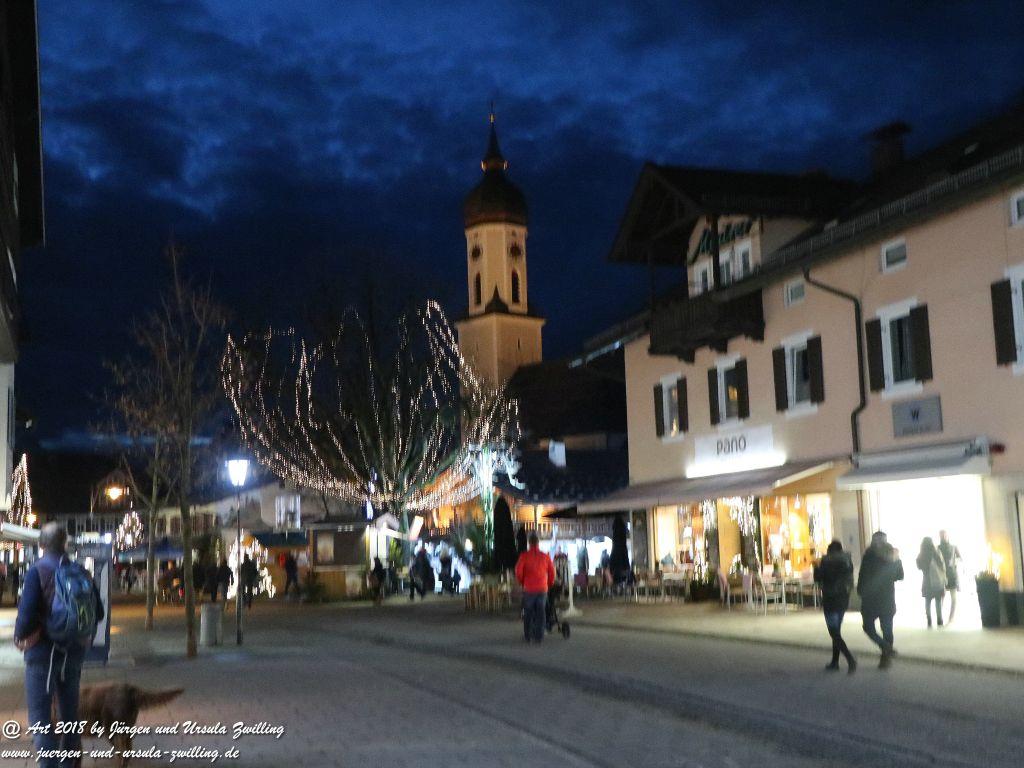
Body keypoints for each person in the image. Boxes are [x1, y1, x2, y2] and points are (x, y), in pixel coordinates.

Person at [14, 522, 104, 768]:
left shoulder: (38, 571)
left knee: (41, 718)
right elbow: (99, 613)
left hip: (43, 653)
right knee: (70, 715)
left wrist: (20, 638)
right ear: (65, 544)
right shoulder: (80, 571)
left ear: (41, 545)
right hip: (74, 651)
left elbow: (25, 619)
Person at [858, 531, 904, 669]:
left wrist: (860, 591)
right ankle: (886, 654)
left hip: (870, 599)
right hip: (886, 598)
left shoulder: (869, 555)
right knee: (887, 629)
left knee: (868, 627)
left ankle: (885, 650)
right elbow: (900, 576)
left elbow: (862, 575)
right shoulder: (893, 556)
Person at [814, 540, 857, 673]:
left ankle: (850, 659)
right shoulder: (847, 561)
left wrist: (816, 568)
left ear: (830, 550)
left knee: (834, 632)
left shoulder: (826, 561)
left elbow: (818, 578)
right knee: (836, 631)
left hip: (830, 599)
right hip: (843, 600)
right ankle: (835, 661)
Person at [514, 532, 556, 644]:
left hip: (529, 589)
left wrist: (522, 582)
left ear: (529, 543)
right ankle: (539, 637)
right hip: (542, 589)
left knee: (528, 612)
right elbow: (552, 572)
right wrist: (549, 583)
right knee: (541, 613)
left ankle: (528, 635)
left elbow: (518, 571)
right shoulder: (545, 556)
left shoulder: (524, 556)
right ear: (538, 542)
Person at [916, 537, 947, 629]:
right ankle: (939, 620)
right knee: (938, 601)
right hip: (937, 580)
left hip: (926, 580)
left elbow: (919, 566)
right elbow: (942, 565)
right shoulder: (936, 552)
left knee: (927, 601)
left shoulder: (921, 554)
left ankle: (929, 620)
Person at [937, 530, 962, 625]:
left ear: (948, 536)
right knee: (941, 597)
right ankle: (940, 617)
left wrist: (954, 561)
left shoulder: (953, 547)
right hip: (941, 575)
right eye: (941, 535)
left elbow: (960, 558)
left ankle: (951, 618)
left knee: (953, 598)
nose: (943, 537)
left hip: (952, 574)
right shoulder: (937, 548)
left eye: (944, 535)